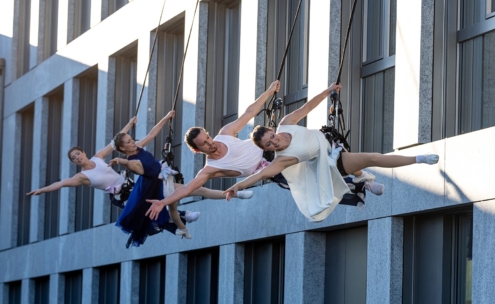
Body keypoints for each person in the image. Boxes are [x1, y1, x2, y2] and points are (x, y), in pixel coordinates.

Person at [145, 81, 383, 221]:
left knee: (319, 152)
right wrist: (163, 202)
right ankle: (360, 184)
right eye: (205, 144)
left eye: (208, 137)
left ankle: (363, 177)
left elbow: (248, 113)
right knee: (312, 183)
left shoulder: (225, 133)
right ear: (198, 151)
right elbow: (188, 188)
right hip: (271, 169)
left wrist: (268, 93)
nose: (211, 144)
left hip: (270, 149)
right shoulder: (210, 169)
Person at [222, 83, 439, 222]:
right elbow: (258, 175)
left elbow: (307, 108)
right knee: (373, 157)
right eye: (269, 145)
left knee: (368, 157)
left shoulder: (286, 124)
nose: (274, 142)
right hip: (331, 162)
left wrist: (326, 92)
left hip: (331, 143)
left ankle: (366, 179)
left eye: (272, 137)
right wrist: (236, 187)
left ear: (272, 131)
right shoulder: (282, 160)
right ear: (265, 150)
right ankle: (418, 160)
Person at [26, 117, 198, 241]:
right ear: (74, 162)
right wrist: (42, 190)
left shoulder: (98, 157)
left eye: (78, 154)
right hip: (122, 195)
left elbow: (115, 142)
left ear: (84, 153)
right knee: (148, 209)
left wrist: (129, 124)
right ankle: (182, 219)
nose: (77, 157)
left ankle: (179, 223)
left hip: (131, 185)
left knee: (156, 195)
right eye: (74, 158)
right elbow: (61, 183)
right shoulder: (81, 177)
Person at [110, 110, 253, 245]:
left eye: (131, 138)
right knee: (195, 192)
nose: (133, 142)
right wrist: (121, 161)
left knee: (177, 203)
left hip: (163, 178)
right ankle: (234, 195)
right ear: (123, 149)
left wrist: (166, 118)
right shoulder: (132, 161)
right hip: (155, 185)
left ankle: (182, 228)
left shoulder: (138, 146)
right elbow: (131, 164)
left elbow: (152, 134)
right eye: (129, 142)